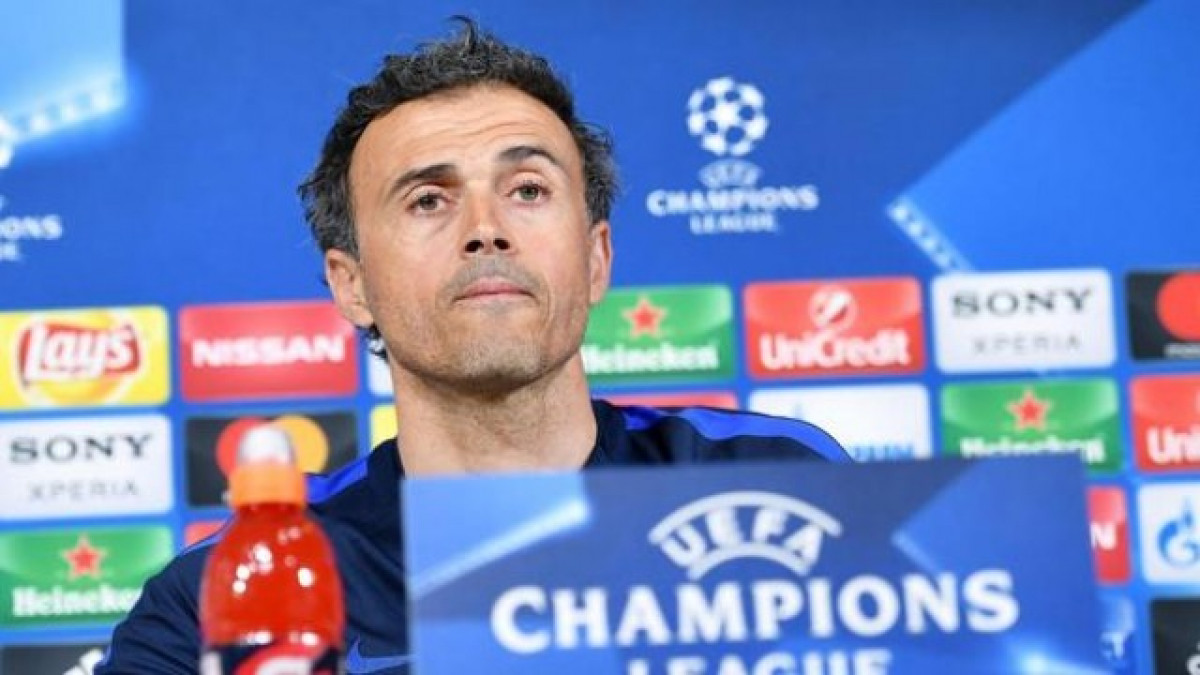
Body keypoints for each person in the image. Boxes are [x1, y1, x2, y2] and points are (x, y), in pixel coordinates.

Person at [96, 18, 849, 674]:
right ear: (351, 285)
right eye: (429, 199)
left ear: (596, 259)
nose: (486, 230)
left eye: (528, 190)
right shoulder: (232, 592)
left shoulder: (777, 480)